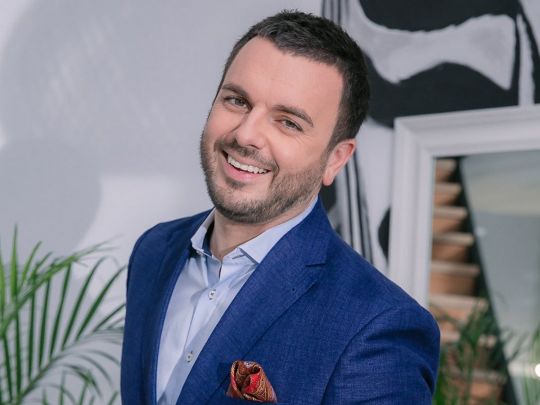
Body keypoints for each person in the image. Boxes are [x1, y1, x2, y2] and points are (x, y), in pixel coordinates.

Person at [121, 10, 439, 405]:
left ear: (336, 159)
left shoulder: (378, 327)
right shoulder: (153, 251)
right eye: (237, 100)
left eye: (288, 122)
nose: (246, 135)